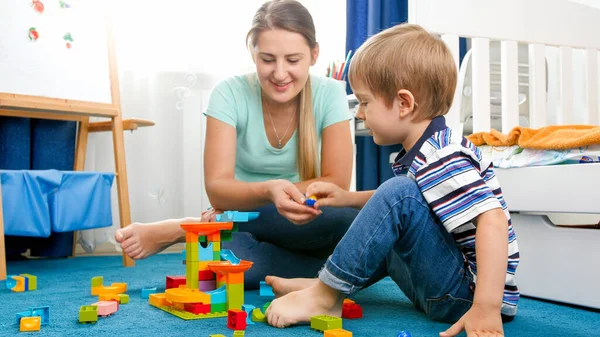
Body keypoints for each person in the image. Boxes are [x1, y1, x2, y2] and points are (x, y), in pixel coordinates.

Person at [264, 23, 519, 337]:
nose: (359, 113)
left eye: (365, 102)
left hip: (467, 295)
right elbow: (397, 210)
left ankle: (325, 294)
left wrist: (486, 306)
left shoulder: (444, 154)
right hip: (449, 286)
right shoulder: (426, 151)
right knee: (395, 208)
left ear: (404, 104)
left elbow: (492, 220)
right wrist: (346, 198)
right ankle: (328, 285)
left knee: (399, 194)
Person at [114, 0, 359, 288]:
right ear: (252, 53)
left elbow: (337, 183)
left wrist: (282, 195)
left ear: (314, 54)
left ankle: (189, 229)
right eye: (267, 59)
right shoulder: (228, 94)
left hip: (307, 220)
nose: (280, 73)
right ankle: (328, 276)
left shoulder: (329, 93)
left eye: (293, 60)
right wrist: (269, 191)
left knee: (348, 221)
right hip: (245, 221)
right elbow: (218, 190)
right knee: (233, 268)